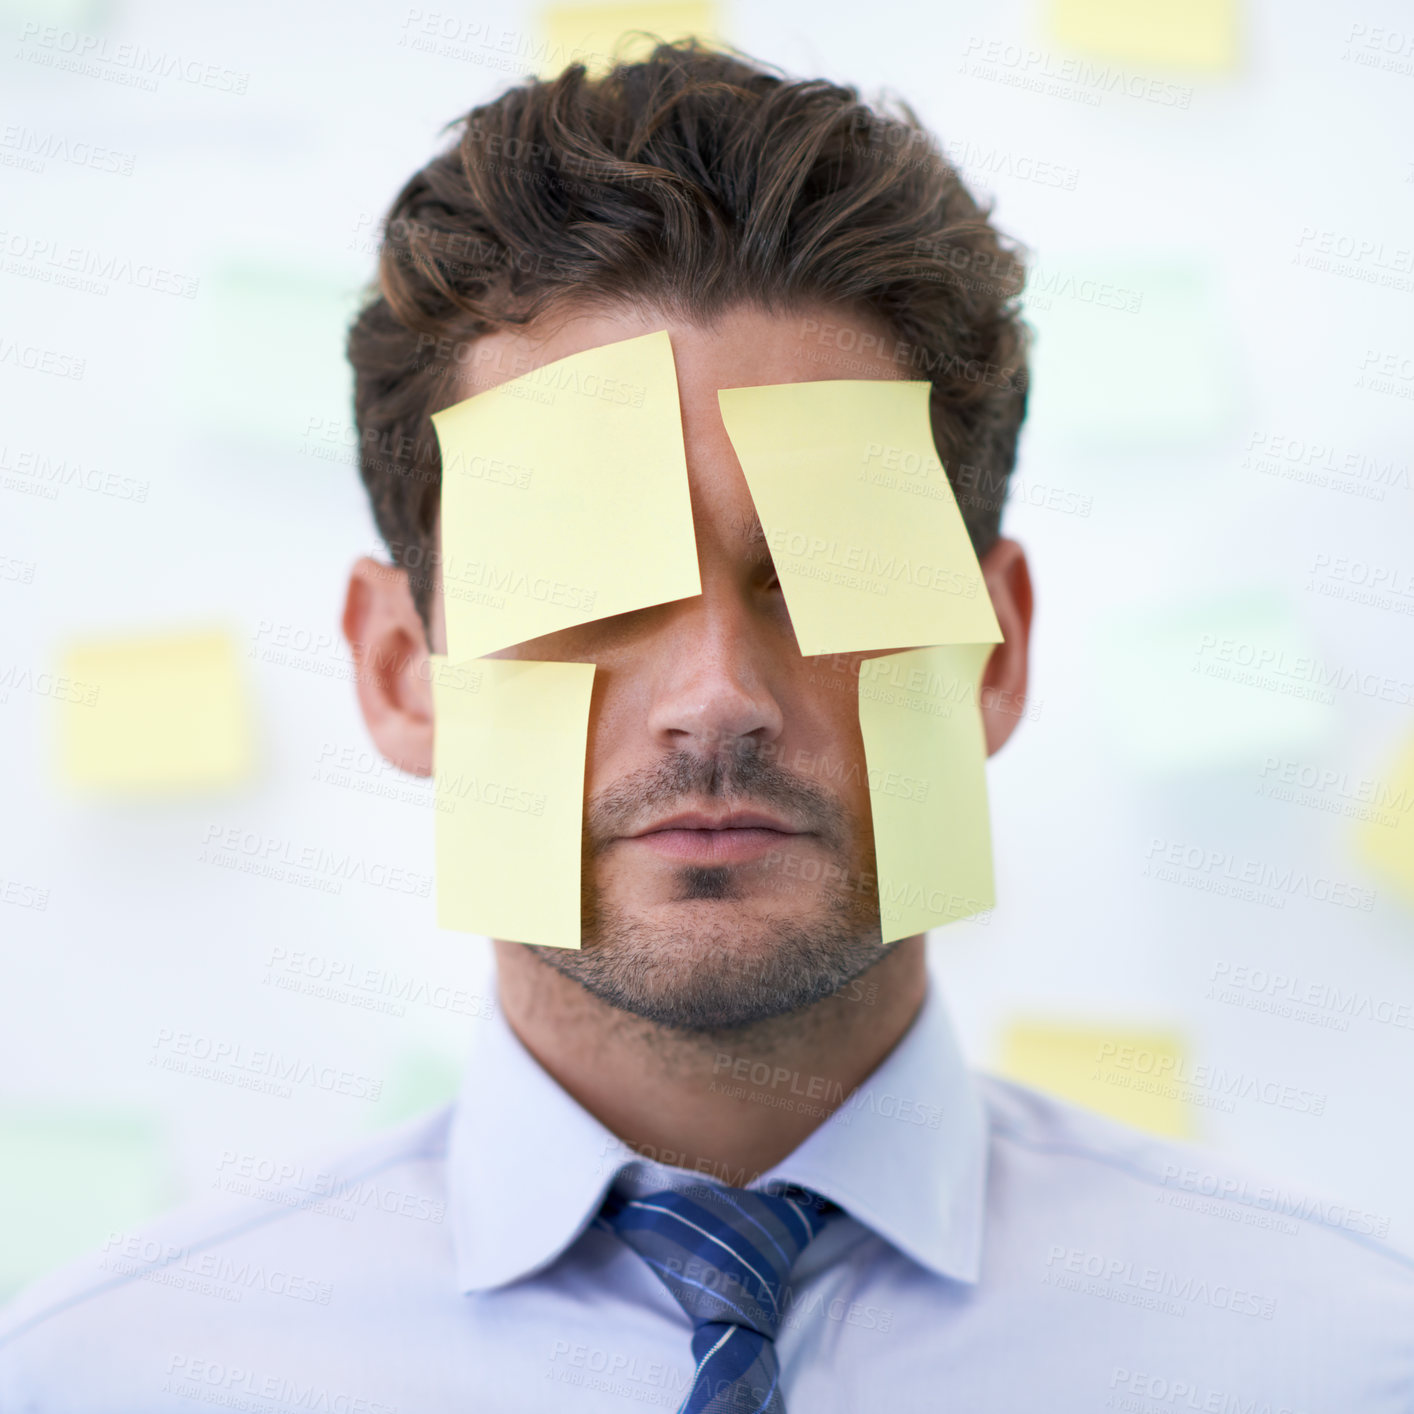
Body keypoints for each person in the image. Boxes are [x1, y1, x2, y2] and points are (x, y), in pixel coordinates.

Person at [2, 40, 1410, 1414]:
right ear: (396, 668)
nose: (715, 695)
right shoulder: (103, 1379)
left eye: (812, 577)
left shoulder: (1343, 1360)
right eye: (589, 593)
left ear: (995, 650)